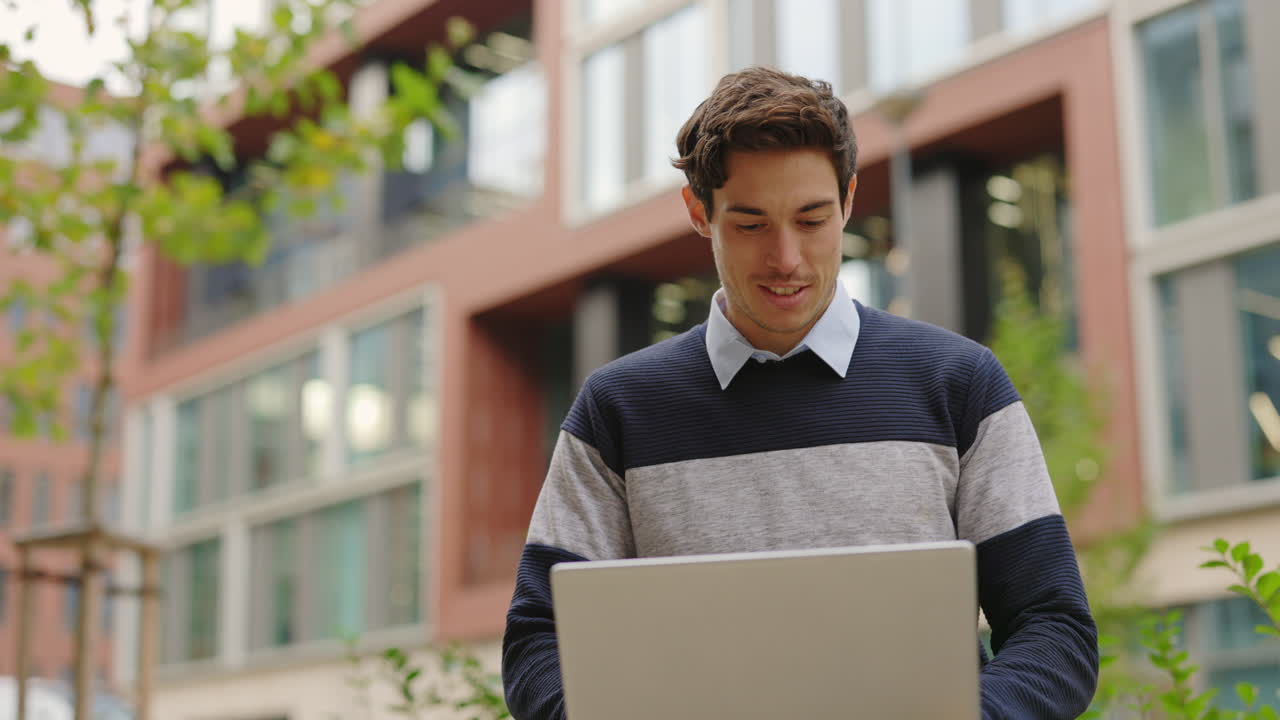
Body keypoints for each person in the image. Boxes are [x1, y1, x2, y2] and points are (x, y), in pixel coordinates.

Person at [502, 66, 1098, 720]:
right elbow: (538, 642)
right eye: (751, 224)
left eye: (811, 219)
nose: (786, 258)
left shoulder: (959, 384)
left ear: (847, 201)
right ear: (700, 213)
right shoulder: (618, 409)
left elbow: (1055, 628)